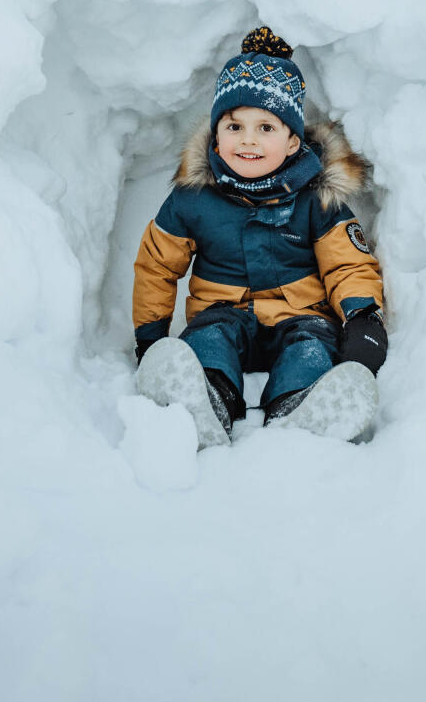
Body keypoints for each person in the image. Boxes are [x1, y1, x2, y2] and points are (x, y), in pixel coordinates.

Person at [131, 27, 388, 446]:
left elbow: (348, 263)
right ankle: (206, 400)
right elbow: (156, 265)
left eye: (266, 128)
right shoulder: (193, 198)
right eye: (234, 126)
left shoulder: (317, 198)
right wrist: (150, 336)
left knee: (310, 349)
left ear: (292, 143)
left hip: (301, 315)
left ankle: (299, 407)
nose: (248, 139)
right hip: (222, 312)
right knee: (208, 342)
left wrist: (362, 317)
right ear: (216, 134)